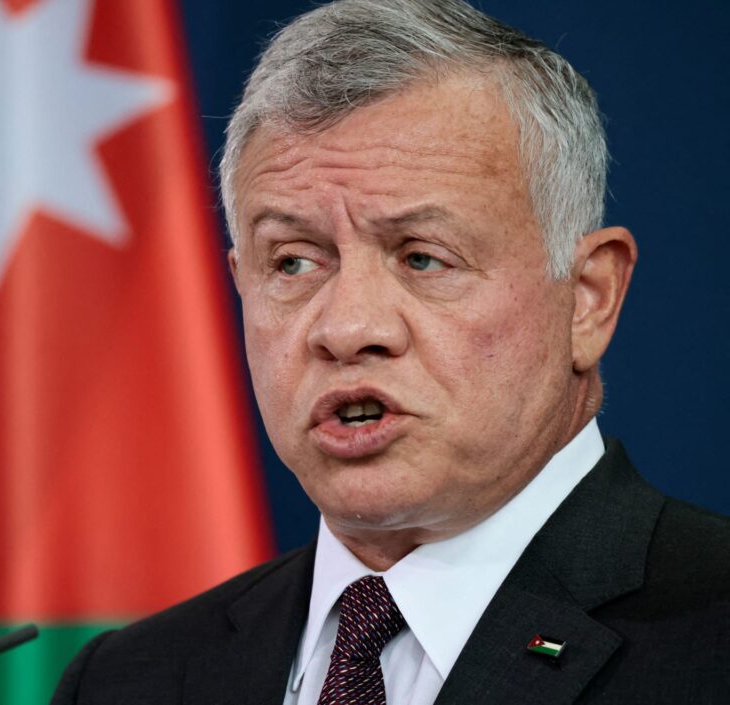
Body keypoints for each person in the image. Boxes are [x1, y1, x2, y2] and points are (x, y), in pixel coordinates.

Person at [51, 0, 730, 702]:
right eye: (292, 262)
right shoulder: (124, 680)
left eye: (422, 257)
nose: (347, 328)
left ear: (588, 298)